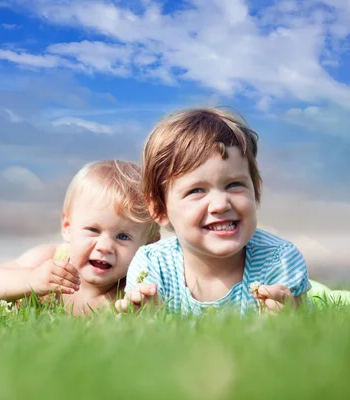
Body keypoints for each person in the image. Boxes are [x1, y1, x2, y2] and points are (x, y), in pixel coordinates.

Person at [115, 107, 311, 316]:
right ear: (160, 209)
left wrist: (289, 314)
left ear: (256, 190)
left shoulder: (279, 259)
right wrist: (143, 316)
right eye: (196, 190)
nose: (220, 204)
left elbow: (306, 332)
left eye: (234, 184)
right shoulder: (153, 264)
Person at [0, 160, 160, 316]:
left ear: (149, 245)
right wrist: (32, 280)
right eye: (93, 230)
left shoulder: (135, 287)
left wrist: (147, 310)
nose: (105, 246)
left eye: (123, 236)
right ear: (68, 228)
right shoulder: (50, 260)